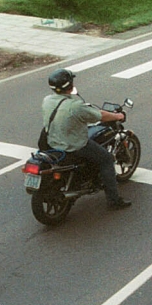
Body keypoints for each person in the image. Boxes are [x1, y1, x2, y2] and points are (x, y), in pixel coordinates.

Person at [41, 68, 131, 210]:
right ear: (70, 85)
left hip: (53, 142)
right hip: (74, 146)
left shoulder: (47, 100)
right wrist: (118, 116)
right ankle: (114, 201)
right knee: (107, 159)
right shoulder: (75, 106)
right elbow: (99, 116)